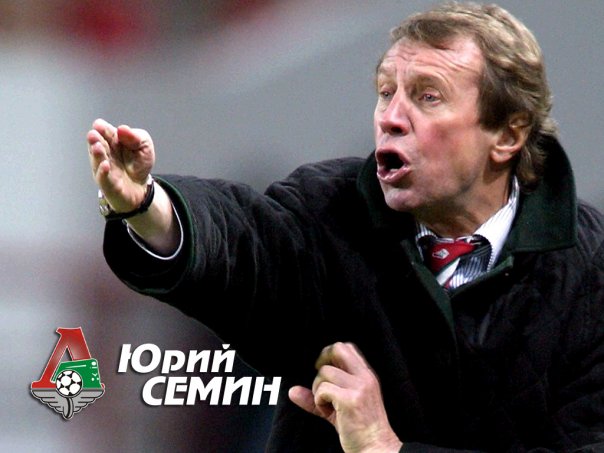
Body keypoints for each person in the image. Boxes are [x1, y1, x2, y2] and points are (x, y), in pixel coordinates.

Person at [87, 2, 604, 452]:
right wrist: (147, 205)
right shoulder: (329, 209)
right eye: (386, 92)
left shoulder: (592, 272)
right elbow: (242, 239)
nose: (391, 117)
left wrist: (385, 448)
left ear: (508, 135)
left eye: (428, 96)